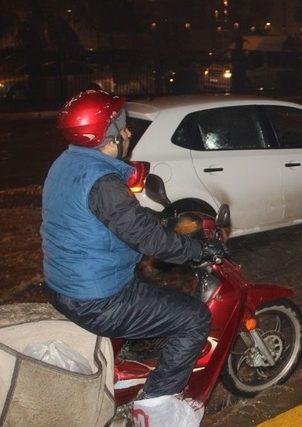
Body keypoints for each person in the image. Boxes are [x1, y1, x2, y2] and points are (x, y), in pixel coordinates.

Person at [41, 90, 225, 422]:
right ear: (107, 135)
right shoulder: (105, 184)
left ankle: (137, 360)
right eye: (122, 126)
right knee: (193, 317)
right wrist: (196, 249)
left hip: (63, 285)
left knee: (148, 286)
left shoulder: (66, 163)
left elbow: (115, 221)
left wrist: (163, 224)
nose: (128, 133)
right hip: (96, 298)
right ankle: (157, 407)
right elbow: (148, 239)